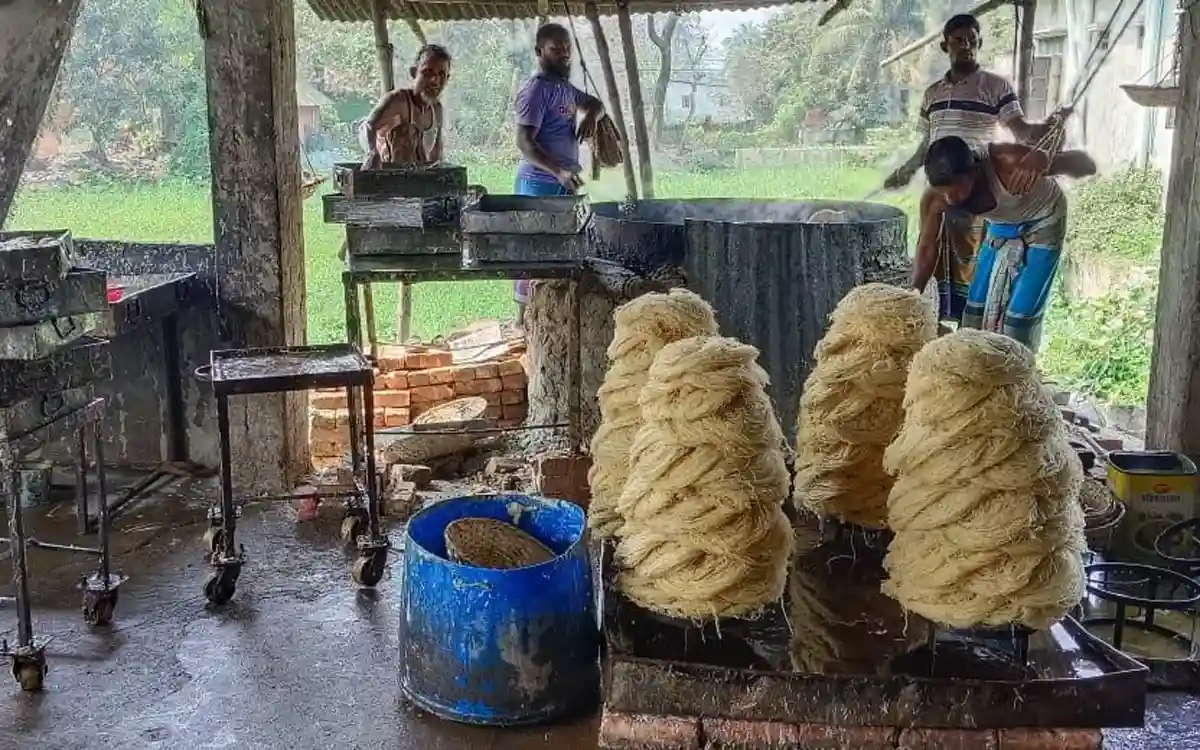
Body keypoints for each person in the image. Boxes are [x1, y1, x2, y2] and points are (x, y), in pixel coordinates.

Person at [884, 13, 1067, 324]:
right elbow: (926, 142)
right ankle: (949, 324)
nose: (965, 45)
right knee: (938, 261)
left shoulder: (995, 86)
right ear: (945, 46)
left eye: (971, 39)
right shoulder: (933, 94)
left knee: (979, 269)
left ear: (979, 43)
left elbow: (1022, 131)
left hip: (978, 181)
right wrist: (909, 168)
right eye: (958, 40)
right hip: (944, 177)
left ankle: (989, 326)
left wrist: (1048, 135)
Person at [911, 136, 1096, 351]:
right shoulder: (935, 197)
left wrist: (1044, 159)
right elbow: (926, 247)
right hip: (1002, 223)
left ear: (974, 172)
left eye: (958, 189)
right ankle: (974, 366)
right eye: (944, 192)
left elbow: (1086, 165)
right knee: (974, 311)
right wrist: (913, 295)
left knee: (1019, 318)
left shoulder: (1008, 161)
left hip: (1044, 220)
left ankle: (1017, 374)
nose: (951, 199)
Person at [511, 22, 604, 328]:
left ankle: (547, 322)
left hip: (561, 183)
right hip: (539, 182)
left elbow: (594, 103)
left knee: (556, 253)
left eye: (567, 48)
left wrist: (590, 115)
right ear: (539, 52)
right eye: (556, 49)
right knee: (533, 253)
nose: (564, 54)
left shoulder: (562, 87)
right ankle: (523, 324)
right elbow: (525, 142)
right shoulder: (537, 89)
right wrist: (560, 170)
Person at [360, 44, 452, 169]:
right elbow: (368, 126)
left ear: (447, 78)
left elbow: (436, 154)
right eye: (427, 72)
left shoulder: (437, 109)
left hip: (417, 182)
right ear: (414, 72)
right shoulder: (398, 101)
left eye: (441, 74)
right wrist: (372, 152)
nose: (434, 80)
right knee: (407, 131)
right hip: (389, 179)